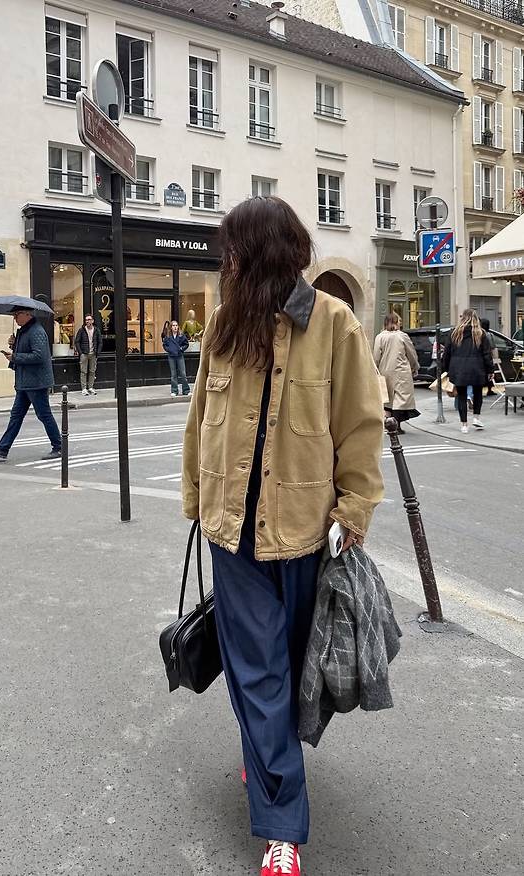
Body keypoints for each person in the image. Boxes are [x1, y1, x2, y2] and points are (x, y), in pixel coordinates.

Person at [181, 197, 384, 876]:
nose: (227, 262)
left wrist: (353, 511)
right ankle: (282, 828)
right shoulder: (224, 324)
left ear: (259, 253)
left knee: (288, 671)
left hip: (303, 532)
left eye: (234, 251)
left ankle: (264, 757)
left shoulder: (333, 323)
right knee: (260, 671)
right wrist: (195, 498)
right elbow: (199, 418)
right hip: (231, 535)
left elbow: (360, 425)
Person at [0, 307, 61, 460]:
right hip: (25, 382)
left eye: (17, 314)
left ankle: (59, 446)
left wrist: (15, 357)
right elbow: (27, 350)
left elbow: (39, 356)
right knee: (16, 415)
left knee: (44, 415)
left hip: (36, 382)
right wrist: (14, 344)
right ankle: (3, 448)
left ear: (27, 314)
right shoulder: (25, 331)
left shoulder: (36, 331)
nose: (14, 317)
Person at [442, 309, 493, 434]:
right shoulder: (481, 333)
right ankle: (476, 417)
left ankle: (464, 425)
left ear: (462, 318)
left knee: (461, 395)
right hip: (477, 368)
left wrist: (446, 369)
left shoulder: (454, 333)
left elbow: (447, 353)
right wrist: (490, 370)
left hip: (458, 368)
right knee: (478, 393)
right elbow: (487, 354)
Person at [373, 312, 420, 433]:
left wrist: (375, 370)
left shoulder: (380, 337)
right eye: (399, 321)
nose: (400, 323)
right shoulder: (402, 336)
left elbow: (376, 356)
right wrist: (415, 366)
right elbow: (411, 353)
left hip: (385, 371)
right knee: (400, 399)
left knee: (388, 399)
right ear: (394, 322)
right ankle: (397, 426)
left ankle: (389, 424)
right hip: (401, 371)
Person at [74, 314, 102, 396]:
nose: (87, 321)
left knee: (92, 371)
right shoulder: (82, 330)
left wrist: (98, 352)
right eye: (86, 320)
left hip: (93, 354)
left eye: (89, 319)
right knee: (83, 371)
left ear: (92, 321)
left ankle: (90, 387)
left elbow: (100, 342)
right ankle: (84, 389)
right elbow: (77, 341)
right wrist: (81, 353)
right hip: (84, 354)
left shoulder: (96, 330)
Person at [162, 319, 190, 397]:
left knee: (183, 374)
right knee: (173, 374)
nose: (175, 327)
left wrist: (181, 349)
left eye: (176, 325)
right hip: (171, 356)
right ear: (171, 327)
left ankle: (186, 390)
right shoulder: (168, 336)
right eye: (173, 325)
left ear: (178, 327)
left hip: (179, 356)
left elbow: (186, 344)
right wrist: (169, 350)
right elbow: (164, 345)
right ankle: (174, 390)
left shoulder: (181, 335)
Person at [480, 318, 498, 396]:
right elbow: (493, 347)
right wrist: (495, 357)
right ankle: (489, 389)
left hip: (480, 357)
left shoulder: (479, 334)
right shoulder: (490, 335)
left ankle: (480, 390)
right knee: (489, 373)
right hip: (488, 356)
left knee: (482, 374)